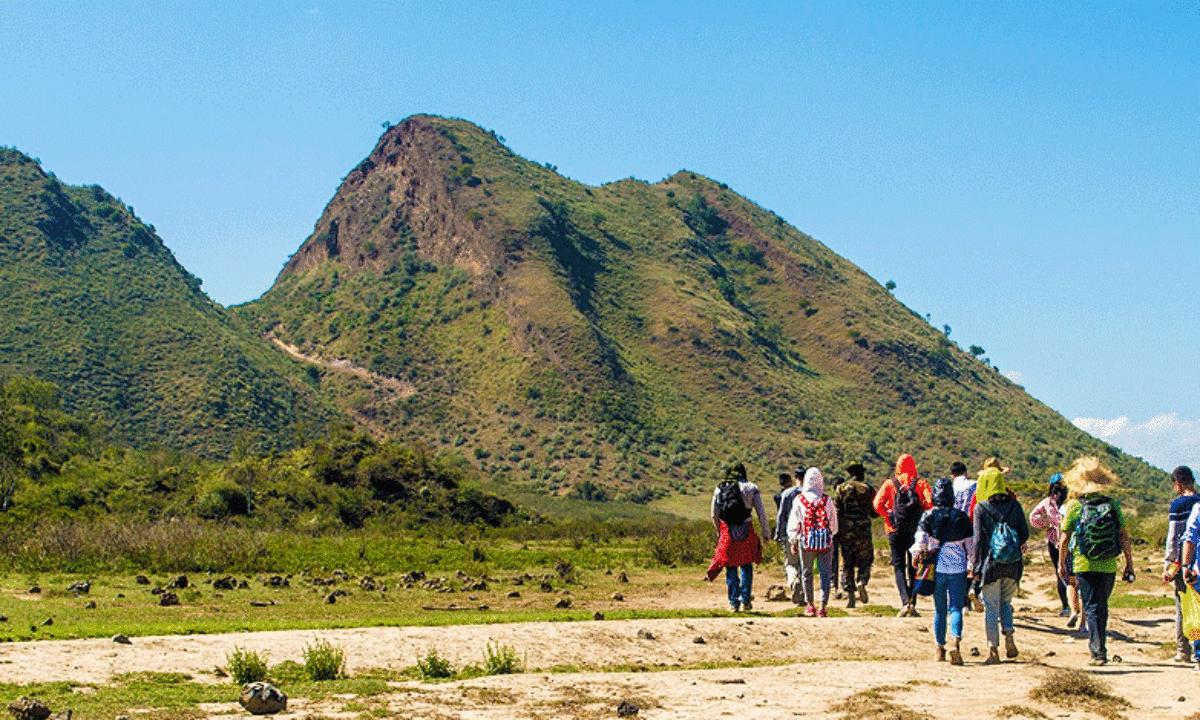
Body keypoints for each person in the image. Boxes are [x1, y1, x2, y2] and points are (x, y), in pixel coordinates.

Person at [1058, 456, 1135, 666]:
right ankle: (1100, 647)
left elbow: (1064, 537)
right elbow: (1124, 536)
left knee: (1091, 606)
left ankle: (1098, 652)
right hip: (1109, 562)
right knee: (1102, 605)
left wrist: (1061, 562)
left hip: (1084, 563)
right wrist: (1129, 563)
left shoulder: (1074, 505)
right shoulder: (1113, 504)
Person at [971, 459, 1028, 665]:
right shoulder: (1015, 505)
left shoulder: (980, 509)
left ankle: (993, 651)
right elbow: (1024, 534)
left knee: (991, 608)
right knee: (1006, 603)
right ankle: (1010, 636)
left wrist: (976, 569)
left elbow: (978, 542)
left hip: (990, 566)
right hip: (1013, 565)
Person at [911, 477, 973, 664]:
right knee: (956, 607)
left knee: (939, 610)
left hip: (936, 567)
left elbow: (920, 541)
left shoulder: (928, 516)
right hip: (958, 567)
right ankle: (955, 641)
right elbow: (970, 546)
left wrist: (916, 556)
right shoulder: (962, 517)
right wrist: (972, 565)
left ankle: (939, 648)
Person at [873, 453, 933, 617]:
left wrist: (888, 515)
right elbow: (930, 504)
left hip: (894, 529)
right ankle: (913, 602)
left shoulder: (890, 484)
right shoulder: (921, 483)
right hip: (915, 530)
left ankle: (905, 602)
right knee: (913, 567)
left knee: (898, 567)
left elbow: (877, 504)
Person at [706, 463, 771, 612]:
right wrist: (766, 533)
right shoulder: (752, 488)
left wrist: (719, 532)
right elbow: (761, 514)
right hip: (746, 529)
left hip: (728, 531)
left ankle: (734, 602)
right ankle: (746, 600)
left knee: (731, 566)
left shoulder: (719, 488)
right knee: (746, 565)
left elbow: (713, 514)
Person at [788, 467, 839, 617]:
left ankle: (810, 605)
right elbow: (833, 522)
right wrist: (830, 535)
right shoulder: (827, 499)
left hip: (806, 542)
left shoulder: (799, 500)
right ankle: (823, 606)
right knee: (825, 574)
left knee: (806, 573)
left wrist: (793, 541)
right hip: (826, 542)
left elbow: (794, 523)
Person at [1163, 466, 1200, 663]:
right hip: (1198, 561)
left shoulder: (1177, 505)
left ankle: (1184, 651)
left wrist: (1168, 566)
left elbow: (1174, 538)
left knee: (1183, 605)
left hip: (1182, 563)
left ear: (1177, 484)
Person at [1030, 473, 1075, 618]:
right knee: (1071, 573)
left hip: (1056, 541)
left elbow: (1033, 517)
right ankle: (1073, 606)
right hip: (1068, 541)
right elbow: (1033, 517)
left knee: (1061, 572)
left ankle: (1068, 607)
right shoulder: (1071, 502)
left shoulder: (1048, 502)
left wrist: (1047, 525)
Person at [835, 462, 876, 608]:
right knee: (866, 559)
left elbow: (837, 511)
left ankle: (851, 597)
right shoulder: (869, 489)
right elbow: (874, 512)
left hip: (846, 531)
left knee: (848, 563)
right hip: (863, 530)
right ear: (862, 474)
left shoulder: (841, 489)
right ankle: (862, 581)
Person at [949, 461, 984, 613]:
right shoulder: (975, 485)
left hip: (954, 530)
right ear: (966, 472)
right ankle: (973, 591)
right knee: (973, 562)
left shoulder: (950, 489)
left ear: (952, 475)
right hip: (972, 527)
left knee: (958, 565)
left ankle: (963, 603)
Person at [774, 471, 803, 604]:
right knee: (805, 565)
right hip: (807, 534)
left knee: (791, 563)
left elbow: (781, 516)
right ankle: (803, 594)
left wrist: (778, 534)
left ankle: (793, 582)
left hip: (789, 534)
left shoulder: (786, 494)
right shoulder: (812, 494)